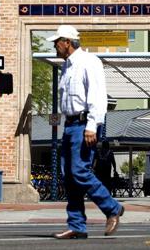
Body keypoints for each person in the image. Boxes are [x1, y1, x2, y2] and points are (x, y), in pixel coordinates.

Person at [48, 25, 124, 239]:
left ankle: (112, 208)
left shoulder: (89, 62)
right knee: (70, 177)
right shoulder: (67, 66)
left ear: (67, 42)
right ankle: (77, 226)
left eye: (57, 42)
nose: (54, 46)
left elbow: (97, 96)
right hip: (70, 125)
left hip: (84, 125)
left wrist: (92, 125)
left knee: (80, 171)